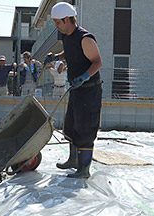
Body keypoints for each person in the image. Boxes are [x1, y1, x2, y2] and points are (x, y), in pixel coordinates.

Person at [44, 2, 103, 178]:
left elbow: (98, 62)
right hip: (76, 90)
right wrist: (56, 56)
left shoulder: (85, 38)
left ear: (68, 19)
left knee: (85, 127)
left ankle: (84, 169)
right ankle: (73, 159)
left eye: (58, 22)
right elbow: (69, 52)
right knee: (71, 124)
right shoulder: (67, 37)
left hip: (89, 90)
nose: (56, 25)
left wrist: (85, 76)